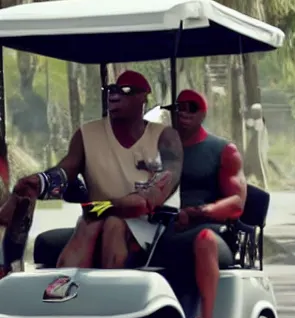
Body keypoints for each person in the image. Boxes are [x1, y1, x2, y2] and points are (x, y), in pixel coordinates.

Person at [0, 70, 183, 274]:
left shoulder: (165, 137)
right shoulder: (86, 134)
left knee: (112, 224)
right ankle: (59, 295)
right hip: (96, 216)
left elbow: (145, 202)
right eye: (110, 90)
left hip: (148, 223)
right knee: (89, 226)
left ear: (143, 97)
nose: (114, 96)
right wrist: (40, 182)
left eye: (126, 91)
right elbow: (66, 169)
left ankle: (109, 297)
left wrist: (101, 208)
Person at [156, 89, 246, 318]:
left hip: (214, 233)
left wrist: (199, 212)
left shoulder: (223, 150)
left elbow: (237, 202)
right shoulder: (160, 150)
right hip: (167, 229)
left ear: (203, 113)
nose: (183, 112)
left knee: (204, 240)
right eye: (178, 107)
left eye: (191, 107)